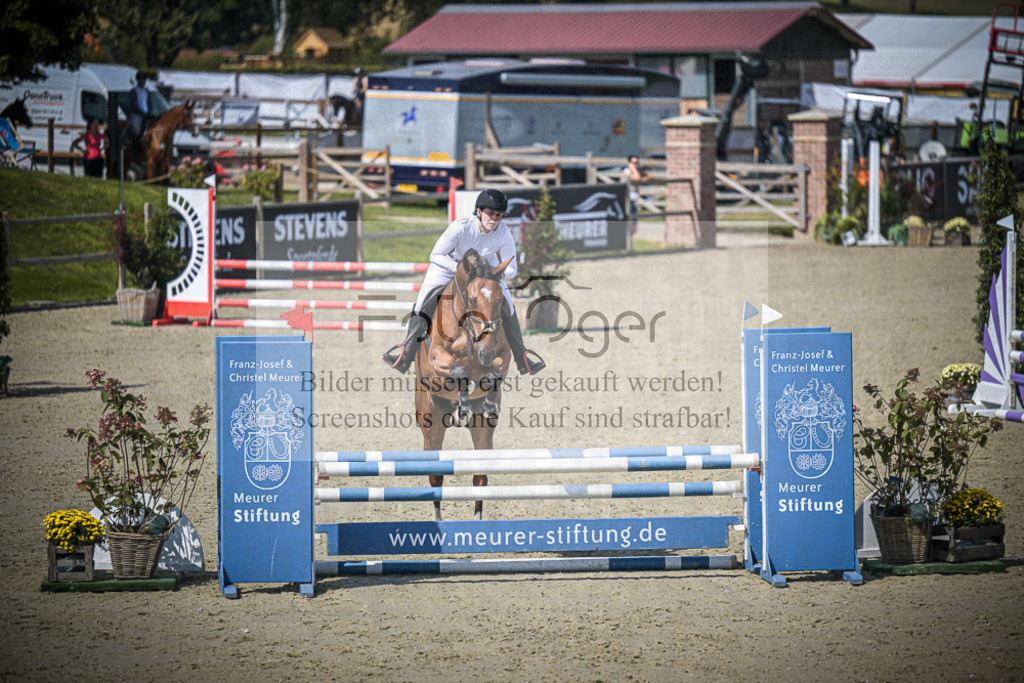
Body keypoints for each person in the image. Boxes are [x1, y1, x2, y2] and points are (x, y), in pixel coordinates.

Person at [383, 188, 546, 376]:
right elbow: (435, 255)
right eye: (490, 213)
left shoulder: (504, 232)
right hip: (447, 267)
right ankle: (406, 352)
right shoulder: (460, 227)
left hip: (486, 274)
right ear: (479, 211)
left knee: (507, 306)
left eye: (498, 215)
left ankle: (522, 356)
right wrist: (459, 270)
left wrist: (493, 274)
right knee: (423, 301)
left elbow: (512, 269)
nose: (494, 219)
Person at [621, 155, 652, 234]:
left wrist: (644, 175)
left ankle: (630, 238)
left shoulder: (637, 171)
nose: (636, 165)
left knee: (634, 226)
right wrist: (633, 168)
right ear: (629, 163)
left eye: (637, 163)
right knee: (628, 223)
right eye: (634, 163)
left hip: (634, 200)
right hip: (627, 200)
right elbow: (636, 178)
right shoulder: (627, 172)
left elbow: (650, 177)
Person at [127, 71, 151, 140]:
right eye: (142, 79)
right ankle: (138, 139)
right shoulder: (134, 91)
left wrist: (149, 111)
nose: (144, 81)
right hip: (137, 114)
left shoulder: (146, 91)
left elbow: (149, 103)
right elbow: (134, 105)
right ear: (138, 80)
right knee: (137, 128)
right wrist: (142, 113)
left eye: (144, 79)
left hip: (147, 114)